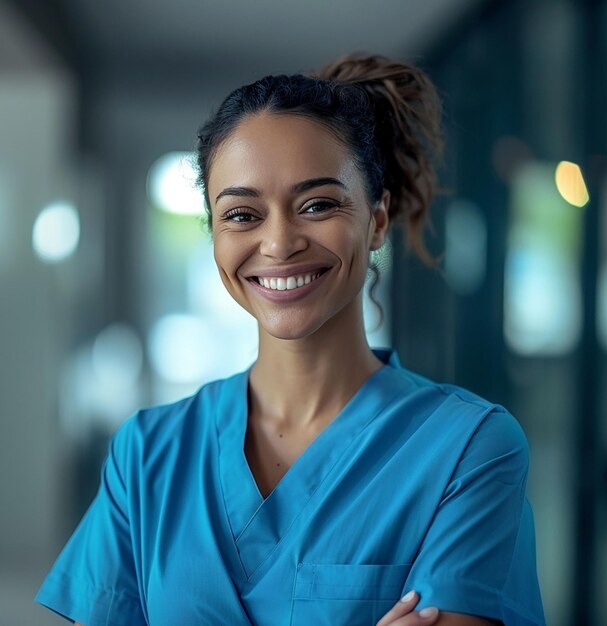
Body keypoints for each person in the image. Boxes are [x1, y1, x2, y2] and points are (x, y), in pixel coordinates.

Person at [35, 53, 546, 626]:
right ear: (214, 234)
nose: (278, 244)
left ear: (377, 219)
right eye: (242, 215)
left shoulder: (468, 450)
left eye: (318, 205)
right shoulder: (148, 455)